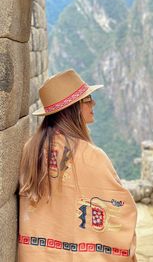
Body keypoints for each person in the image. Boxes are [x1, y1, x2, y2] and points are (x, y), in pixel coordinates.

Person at [18, 69, 137, 262]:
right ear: (72, 108)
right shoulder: (92, 156)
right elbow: (119, 207)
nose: (94, 103)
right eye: (87, 99)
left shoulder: (30, 150)